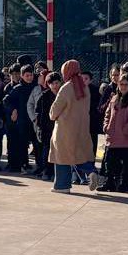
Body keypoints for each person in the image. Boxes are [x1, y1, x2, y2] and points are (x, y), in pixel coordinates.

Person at [48, 60, 97, 192]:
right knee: (79, 153)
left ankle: (62, 185)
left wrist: (52, 114)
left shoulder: (66, 88)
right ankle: (91, 171)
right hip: (82, 127)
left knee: (62, 156)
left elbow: (54, 111)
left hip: (65, 129)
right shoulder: (84, 87)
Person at [102, 72, 128, 191]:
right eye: (121, 84)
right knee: (109, 162)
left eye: (126, 84)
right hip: (112, 137)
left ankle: (123, 183)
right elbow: (107, 114)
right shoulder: (114, 98)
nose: (123, 87)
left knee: (126, 164)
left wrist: (126, 130)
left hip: (126, 138)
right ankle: (109, 182)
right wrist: (106, 126)